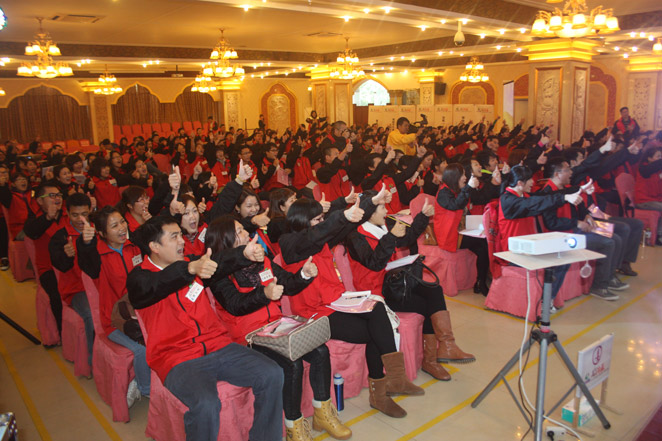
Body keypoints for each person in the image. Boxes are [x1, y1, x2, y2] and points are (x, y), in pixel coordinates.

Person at [127, 216, 284, 441]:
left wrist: (243, 254)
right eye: (174, 237)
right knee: (206, 403)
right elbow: (157, 284)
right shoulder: (140, 278)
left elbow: (220, 260)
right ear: (155, 246)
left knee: (272, 373)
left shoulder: (193, 262)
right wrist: (190, 268)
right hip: (178, 358)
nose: (181, 241)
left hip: (218, 345)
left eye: (180, 235)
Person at [279, 187, 424, 419]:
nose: (322, 223)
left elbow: (345, 226)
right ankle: (383, 391)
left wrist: (370, 202)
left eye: (322, 218)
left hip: (336, 301)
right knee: (376, 329)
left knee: (377, 310)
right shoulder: (290, 244)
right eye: (317, 220)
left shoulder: (322, 239)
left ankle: (393, 381)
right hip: (315, 313)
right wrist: (340, 216)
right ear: (303, 221)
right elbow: (318, 234)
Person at [206, 215, 351, 441]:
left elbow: (288, 283)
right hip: (249, 337)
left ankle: (322, 413)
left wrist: (303, 274)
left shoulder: (261, 260)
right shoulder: (218, 273)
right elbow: (235, 306)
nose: (246, 234)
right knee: (292, 363)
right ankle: (294, 426)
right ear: (225, 239)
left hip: (275, 326)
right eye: (239, 231)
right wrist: (264, 294)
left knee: (320, 351)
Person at [345, 190, 474, 382]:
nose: (386, 211)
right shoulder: (355, 236)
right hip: (375, 293)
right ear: (370, 212)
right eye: (382, 208)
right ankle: (432, 359)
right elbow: (374, 263)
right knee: (427, 305)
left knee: (434, 290)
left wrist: (423, 217)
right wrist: (391, 237)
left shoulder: (383, 225)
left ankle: (446, 345)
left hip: (392, 282)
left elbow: (407, 238)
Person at [541, 158, 641, 301]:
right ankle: (599, 286)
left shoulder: (567, 188)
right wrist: (577, 223)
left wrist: (586, 215)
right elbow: (551, 223)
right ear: (557, 174)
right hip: (565, 235)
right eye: (567, 170)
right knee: (608, 242)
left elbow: (581, 207)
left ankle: (611, 275)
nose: (571, 173)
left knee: (617, 235)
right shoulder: (547, 193)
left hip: (578, 228)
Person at [77, 206, 149, 400]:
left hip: (141, 313)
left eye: (122, 222)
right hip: (115, 321)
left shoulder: (134, 246)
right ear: (102, 233)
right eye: (114, 225)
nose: (122, 228)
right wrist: (86, 244)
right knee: (141, 350)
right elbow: (88, 265)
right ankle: (146, 389)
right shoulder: (98, 256)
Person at [48, 193, 95, 368]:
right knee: (90, 314)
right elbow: (59, 265)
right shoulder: (60, 237)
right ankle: (92, 360)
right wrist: (66, 256)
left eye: (84, 214)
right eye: (75, 215)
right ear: (67, 213)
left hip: (100, 285)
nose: (80, 219)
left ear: (90, 211)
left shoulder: (97, 229)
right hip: (76, 289)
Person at [434, 163, 491, 295]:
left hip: (460, 231)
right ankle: (481, 283)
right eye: (463, 175)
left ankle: (480, 282)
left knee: (483, 246)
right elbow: (455, 205)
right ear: (454, 177)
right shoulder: (443, 193)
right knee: (483, 244)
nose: (465, 178)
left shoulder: (456, 190)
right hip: (449, 234)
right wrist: (468, 188)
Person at [24, 182, 68, 336]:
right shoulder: (35, 219)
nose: (57, 199)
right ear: (39, 201)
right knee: (56, 296)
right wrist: (48, 217)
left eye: (59, 195)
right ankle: (63, 332)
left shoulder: (67, 214)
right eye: (52, 196)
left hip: (69, 264)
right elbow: (31, 232)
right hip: (48, 268)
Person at [634, 147, 662, 244]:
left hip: (655, 199)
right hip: (644, 201)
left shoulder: (657, 170)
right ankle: (659, 235)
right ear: (649, 158)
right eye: (658, 156)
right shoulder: (644, 169)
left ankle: (659, 234)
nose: (660, 159)